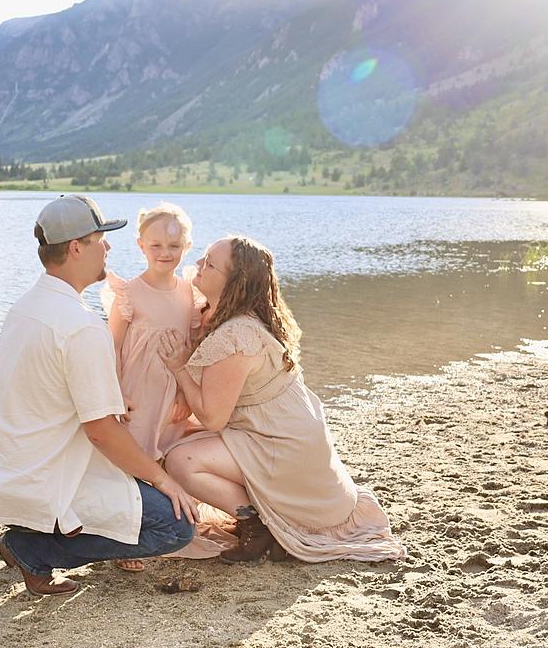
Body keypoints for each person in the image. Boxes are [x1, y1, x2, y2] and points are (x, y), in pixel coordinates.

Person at [0, 194, 199, 596]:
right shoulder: (80, 325)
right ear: (76, 248)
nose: (107, 247)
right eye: (100, 239)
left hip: (2, 466)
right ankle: (32, 547)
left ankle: (34, 529)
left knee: (133, 484)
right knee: (176, 525)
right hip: (43, 476)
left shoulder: (25, 306)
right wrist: (164, 480)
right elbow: (102, 432)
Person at [158, 235, 406, 564]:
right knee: (181, 441)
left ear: (234, 282)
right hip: (277, 428)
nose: (199, 265)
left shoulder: (237, 334)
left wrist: (179, 367)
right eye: (203, 257)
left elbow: (213, 418)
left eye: (211, 264)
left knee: (182, 461)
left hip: (282, 442)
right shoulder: (224, 313)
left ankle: (256, 524)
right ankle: (261, 515)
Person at [100, 203, 203, 572]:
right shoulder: (130, 292)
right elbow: (112, 346)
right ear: (141, 245)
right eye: (156, 245)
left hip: (170, 392)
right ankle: (123, 538)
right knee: (133, 459)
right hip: (136, 392)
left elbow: (192, 348)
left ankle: (157, 525)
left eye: (174, 246)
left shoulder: (189, 293)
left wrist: (185, 393)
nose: (165, 253)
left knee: (162, 454)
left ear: (187, 246)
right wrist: (114, 392)